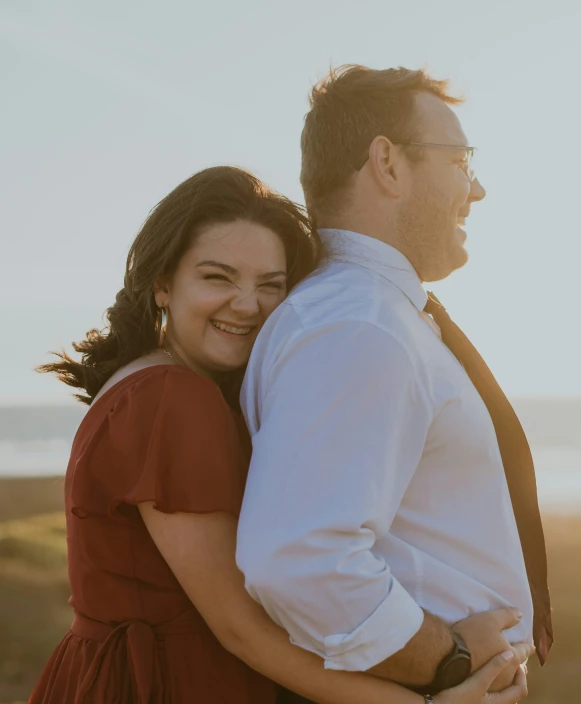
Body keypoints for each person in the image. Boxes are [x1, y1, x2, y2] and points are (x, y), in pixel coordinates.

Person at [29, 165, 529, 704]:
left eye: (271, 285)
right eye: (218, 277)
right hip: (170, 684)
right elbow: (240, 628)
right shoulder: (171, 399)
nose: (247, 305)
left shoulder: (152, 383)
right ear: (162, 285)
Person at [237, 66, 552, 704]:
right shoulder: (359, 325)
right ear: (387, 162)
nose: (479, 187)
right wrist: (447, 660)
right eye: (462, 158)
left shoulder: (375, 318)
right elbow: (297, 558)